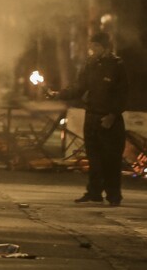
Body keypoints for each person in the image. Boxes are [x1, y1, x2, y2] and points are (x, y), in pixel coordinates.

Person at [47, 32, 128, 206]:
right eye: (91, 46)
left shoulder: (116, 65)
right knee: (94, 158)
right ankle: (94, 192)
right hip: (91, 117)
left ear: (105, 47)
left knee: (111, 160)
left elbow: (122, 94)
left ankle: (114, 196)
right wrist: (58, 94)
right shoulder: (89, 64)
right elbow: (78, 87)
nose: (92, 49)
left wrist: (112, 115)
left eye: (96, 46)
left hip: (108, 120)